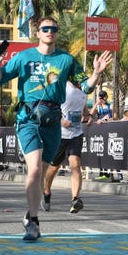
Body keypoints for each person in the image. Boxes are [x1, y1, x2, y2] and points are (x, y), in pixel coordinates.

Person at [0, 16, 112, 241]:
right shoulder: (24, 56)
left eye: (53, 29)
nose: (49, 32)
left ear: (56, 32)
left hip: (53, 120)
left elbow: (84, 86)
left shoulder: (66, 59)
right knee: (35, 169)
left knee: (42, 172)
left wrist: (96, 73)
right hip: (28, 118)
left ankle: (30, 213)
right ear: (38, 33)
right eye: (45, 28)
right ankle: (34, 224)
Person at [41, 81, 93, 214]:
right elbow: (48, 108)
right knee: (53, 167)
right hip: (59, 134)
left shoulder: (84, 90)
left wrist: (89, 117)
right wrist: (60, 120)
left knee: (75, 164)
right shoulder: (61, 88)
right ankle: (46, 192)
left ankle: (75, 199)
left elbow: (84, 109)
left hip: (76, 134)